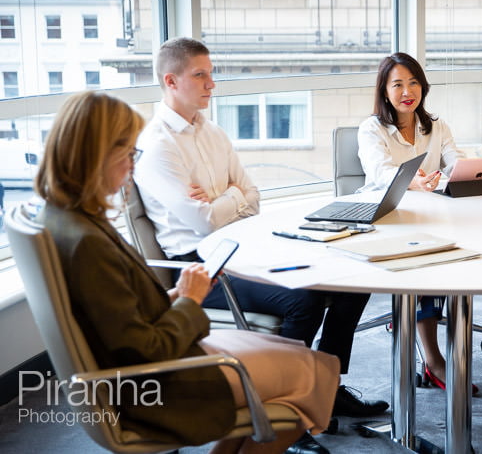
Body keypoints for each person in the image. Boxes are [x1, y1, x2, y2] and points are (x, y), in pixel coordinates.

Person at [34, 90, 340, 454]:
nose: (133, 165)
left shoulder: (65, 223)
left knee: (290, 355)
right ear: (97, 156)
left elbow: (116, 322)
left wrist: (175, 296)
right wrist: (191, 301)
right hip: (159, 386)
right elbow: (147, 351)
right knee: (313, 374)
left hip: (141, 371)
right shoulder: (87, 243)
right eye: (129, 153)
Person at [134, 38, 387, 454]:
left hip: (240, 246)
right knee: (302, 302)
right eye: (200, 75)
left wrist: (225, 199)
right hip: (200, 267)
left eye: (211, 73)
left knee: (346, 280)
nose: (211, 84)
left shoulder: (212, 132)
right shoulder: (158, 145)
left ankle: (328, 387)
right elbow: (203, 220)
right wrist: (230, 198)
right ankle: (290, 409)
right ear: (170, 80)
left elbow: (253, 196)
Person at [357, 52, 477, 394]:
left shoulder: (436, 126)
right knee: (426, 260)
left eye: (413, 83)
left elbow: (455, 162)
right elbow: (378, 171)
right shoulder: (372, 128)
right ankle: (434, 357)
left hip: (431, 216)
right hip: (387, 219)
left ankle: (425, 329)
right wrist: (413, 181)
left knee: (458, 252)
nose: (407, 91)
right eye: (398, 84)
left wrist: (478, 170)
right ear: (384, 90)